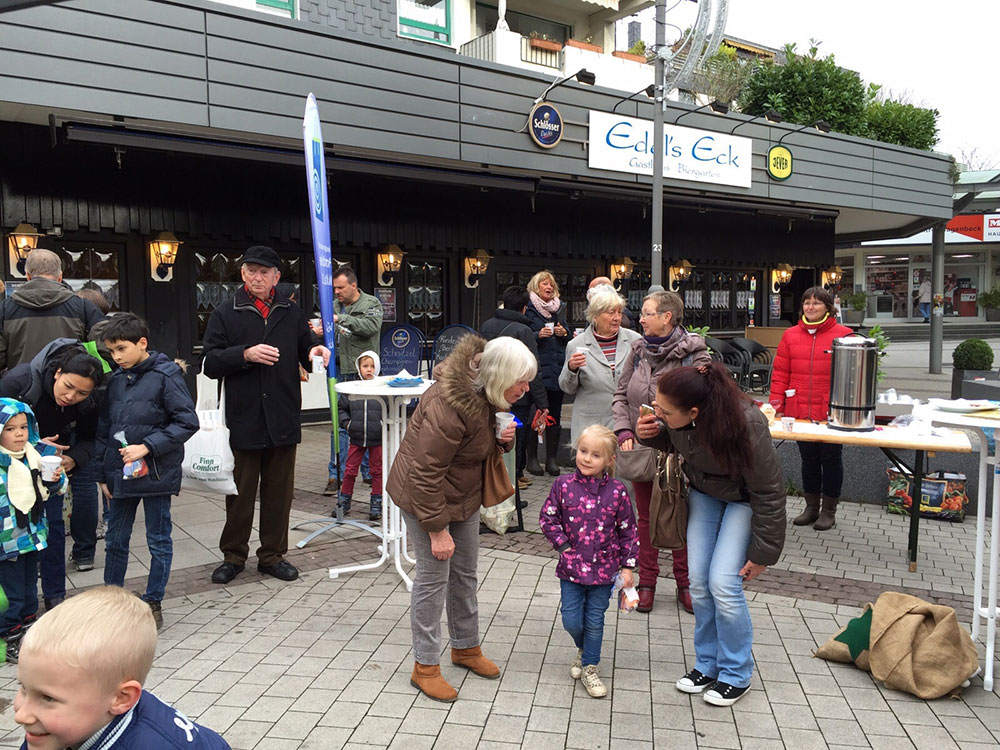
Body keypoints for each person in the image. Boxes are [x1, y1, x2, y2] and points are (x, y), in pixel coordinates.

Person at [386, 335, 532, 703]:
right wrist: (436, 530)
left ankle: (465, 648)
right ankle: (425, 666)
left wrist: (503, 440)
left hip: (462, 494)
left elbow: (477, 447)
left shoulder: (488, 394)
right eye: (521, 380)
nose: (526, 388)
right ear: (499, 376)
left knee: (465, 572)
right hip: (423, 497)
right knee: (434, 579)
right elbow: (423, 474)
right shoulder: (448, 403)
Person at [636, 363, 785, 706]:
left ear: (694, 412)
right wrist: (651, 433)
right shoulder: (682, 417)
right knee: (699, 583)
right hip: (704, 494)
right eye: (655, 407)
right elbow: (677, 442)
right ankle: (707, 665)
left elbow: (770, 493)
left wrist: (763, 554)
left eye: (664, 412)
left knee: (724, 583)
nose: (657, 414)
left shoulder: (747, 423)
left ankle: (736, 673)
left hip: (743, 500)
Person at [202, 245, 330, 585]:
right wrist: (245, 353)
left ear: (276, 277)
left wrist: (315, 350)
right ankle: (233, 555)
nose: (256, 277)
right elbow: (211, 363)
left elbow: (305, 351)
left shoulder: (290, 311)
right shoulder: (226, 312)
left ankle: (273, 556)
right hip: (243, 416)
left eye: (264, 272)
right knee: (239, 493)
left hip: (284, 414)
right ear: (242, 274)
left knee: (279, 493)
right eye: (250, 271)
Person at [14, 586, 230, 749]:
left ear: (121, 698)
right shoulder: (52, 729)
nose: (22, 715)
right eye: (23, 688)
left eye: (48, 698)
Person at [94, 314, 198, 628]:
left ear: (142, 343)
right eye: (111, 351)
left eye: (122, 349)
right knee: (115, 540)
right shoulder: (114, 380)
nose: (117, 357)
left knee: (158, 540)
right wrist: (101, 474)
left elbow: (187, 422)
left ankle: (153, 601)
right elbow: (104, 429)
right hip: (120, 475)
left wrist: (148, 446)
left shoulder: (166, 376)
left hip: (155, 473)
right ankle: (111, 601)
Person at [612, 290, 710, 614]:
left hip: (681, 450)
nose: (639, 319)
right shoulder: (638, 350)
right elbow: (620, 393)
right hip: (642, 446)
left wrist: (676, 430)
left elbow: (705, 402)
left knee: (683, 516)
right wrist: (624, 430)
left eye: (646, 313)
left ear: (667, 317)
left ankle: (686, 584)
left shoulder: (695, 353)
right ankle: (647, 582)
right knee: (645, 517)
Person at [0, 339, 105, 609]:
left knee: (53, 528)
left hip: (52, 469)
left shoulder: (90, 401)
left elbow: (90, 439)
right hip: (9, 471)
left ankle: (55, 596)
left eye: (81, 393)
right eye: (68, 387)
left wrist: (73, 459)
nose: (71, 397)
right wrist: (33, 444)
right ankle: (16, 608)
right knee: (14, 536)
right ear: (57, 372)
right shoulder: (19, 382)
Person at [539, 424, 638, 699]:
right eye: (583, 451)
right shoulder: (563, 486)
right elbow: (548, 518)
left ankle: (590, 666)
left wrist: (627, 566)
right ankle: (584, 650)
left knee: (595, 619)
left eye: (595, 455)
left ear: (609, 461)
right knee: (571, 619)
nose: (586, 458)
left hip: (604, 571)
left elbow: (628, 530)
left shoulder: (617, 492)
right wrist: (564, 546)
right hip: (571, 569)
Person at [769, 286, 853, 530]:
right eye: (806, 303)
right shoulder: (790, 335)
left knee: (831, 458)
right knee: (808, 459)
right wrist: (777, 405)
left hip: (830, 411)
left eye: (816, 303)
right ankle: (811, 507)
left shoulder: (844, 335)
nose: (810, 307)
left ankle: (829, 511)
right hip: (799, 410)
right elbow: (781, 373)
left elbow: (850, 377)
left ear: (828, 307)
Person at [0, 399, 65, 663]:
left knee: (29, 591)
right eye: (10, 429)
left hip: (32, 536)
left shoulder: (35, 455)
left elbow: (56, 489)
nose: (19, 434)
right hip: (6, 544)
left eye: (23, 427)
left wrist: (56, 478)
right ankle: (9, 639)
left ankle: (28, 634)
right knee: (12, 594)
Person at [480, 285, 549, 487]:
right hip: (518, 395)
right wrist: (542, 403)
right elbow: (533, 371)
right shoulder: (523, 330)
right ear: (524, 308)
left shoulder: (486, 325)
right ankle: (511, 480)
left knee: (493, 432)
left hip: (491, 388)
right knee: (515, 436)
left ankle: (513, 476)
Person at [325, 266, 383, 496]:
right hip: (338, 370)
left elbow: (371, 327)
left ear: (353, 285)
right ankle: (335, 474)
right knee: (339, 423)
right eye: (334, 288)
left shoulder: (371, 304)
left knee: (368, 422)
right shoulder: (333, 305)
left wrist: (342, 318)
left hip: (363, 374)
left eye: (340, 287)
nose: (336, 292)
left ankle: (368, 472)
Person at [560, 287, 641, 447]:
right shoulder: (576, 344)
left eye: (619, 312)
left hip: (626, 425)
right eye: (611, 313)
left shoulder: (635, 340)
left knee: (624, 471)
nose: (617, 318)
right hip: (591, 426)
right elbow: (567, 388)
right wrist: (572, 368)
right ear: (595, 316)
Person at [0, 248, 104, 370]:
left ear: (28, 276)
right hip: (70, 385)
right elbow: (106, 348)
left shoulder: (4, 309)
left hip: (22, 385)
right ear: (60, 276)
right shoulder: (83, 307)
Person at [524, 270, 570, 475]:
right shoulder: (528, 310)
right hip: (537, 371)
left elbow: (567, 336)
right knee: (535, 414)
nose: (549, 287)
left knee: (555, 416)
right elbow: (522, 337)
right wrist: (537, 335)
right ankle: (532, 459)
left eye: (551, 284)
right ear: (536, 287)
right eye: (544, 284)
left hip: (557, 370)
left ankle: (551, 460)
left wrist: (564, 333)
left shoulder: (559, 309)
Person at [337, 350, 384, 521]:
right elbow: (341, 408)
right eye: (365, 366)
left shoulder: (382, 389)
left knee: (377, 471)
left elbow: (391, 408)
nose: (369, 370)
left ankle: (376, 503)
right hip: (356, 437)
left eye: (372, 366)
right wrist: (347, 424)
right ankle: (344, 501)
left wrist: (383, 426)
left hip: (377, 438)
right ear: (359, 368)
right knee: (349, 471)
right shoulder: (352, 388)